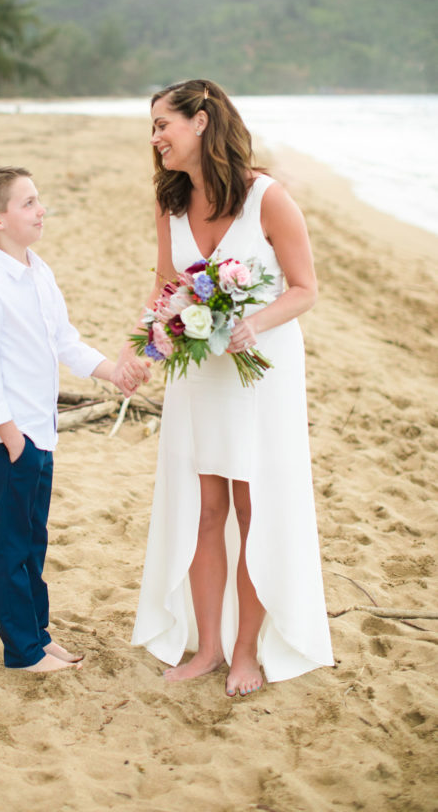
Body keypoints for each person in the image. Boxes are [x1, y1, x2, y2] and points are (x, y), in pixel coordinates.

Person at [123, 79, 333, 696]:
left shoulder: (267, 197)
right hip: (198, 375)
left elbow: (305, 288)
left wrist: (251, 323)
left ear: (203, 120)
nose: (156, 137)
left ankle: (247, 652)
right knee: (204, 510)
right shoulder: (170, 205)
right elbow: (165, 289)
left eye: (164, 123)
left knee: (252, 507)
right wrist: (141, 346)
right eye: (154, 127)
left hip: (259, 373)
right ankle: (208, 647)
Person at [0, 165, 146, 672]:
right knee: (10, 545)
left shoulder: (39, 271)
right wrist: (11, 438)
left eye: (39, 200)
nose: (41, 210)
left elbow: (64, 341)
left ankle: (38, 636)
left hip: (41, 431)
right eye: (29, 203)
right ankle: (22, 652)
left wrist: (115, 372)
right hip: (9, 441)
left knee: (34, 540)